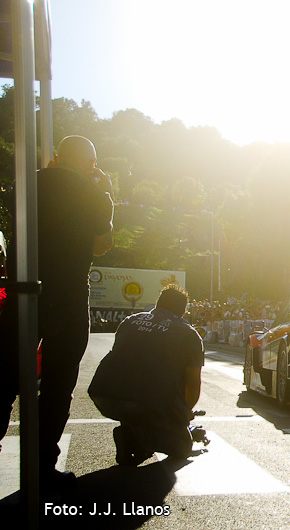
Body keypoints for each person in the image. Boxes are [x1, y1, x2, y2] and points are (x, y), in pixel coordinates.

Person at [0, 135, 114, 487]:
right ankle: (42, 466)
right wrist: (107, 197)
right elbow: (102, 246)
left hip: (23, 288)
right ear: (91, 164)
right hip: (68, 297)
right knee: (57, 383)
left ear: (56, 157)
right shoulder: (96, 195)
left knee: (4, 374)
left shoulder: (26, 183)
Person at [89, 285, 204, 466]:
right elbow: (193, 384)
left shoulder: (130, 321)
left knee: (135, 394)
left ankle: (130, 430)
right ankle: (138, 440)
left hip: (105, 393)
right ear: (183, 311)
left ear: (158, 304)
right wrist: (183, 413)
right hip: (150, 401)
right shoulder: (188, 334)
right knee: (182, 447)